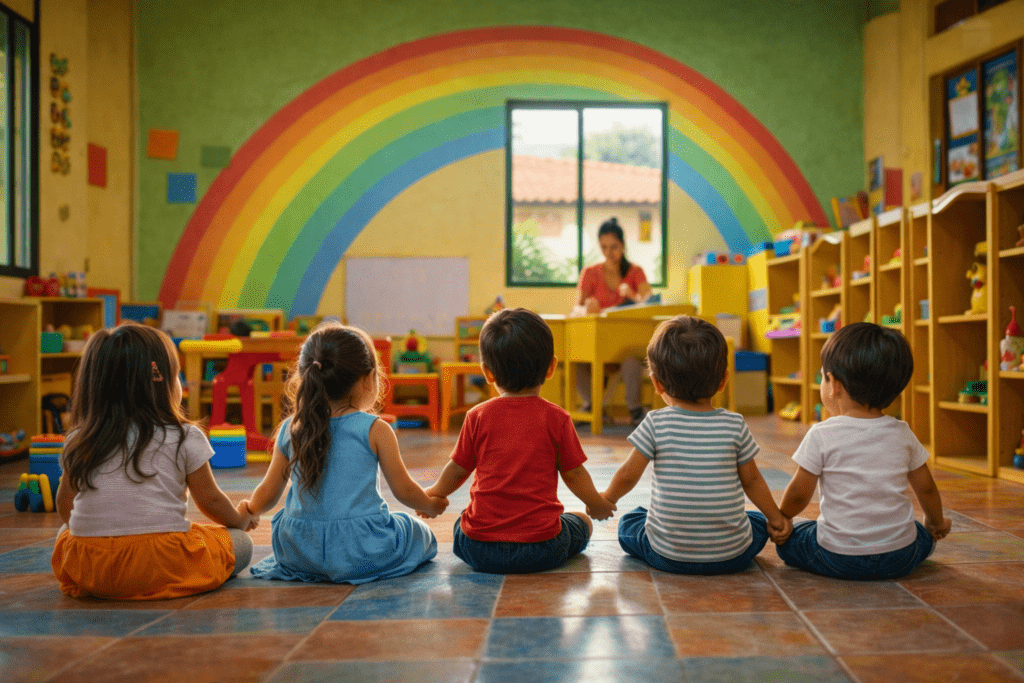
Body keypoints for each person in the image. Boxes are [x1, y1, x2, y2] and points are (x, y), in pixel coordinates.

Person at [51, 323, 256, 600]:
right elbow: (211, 501)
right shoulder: (184, 436)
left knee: (66, 531)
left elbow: (65, 506)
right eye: (176, 376)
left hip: (92, 569)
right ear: (160, 381)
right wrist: (239, 521)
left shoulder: (78, 439)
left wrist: (96, 534)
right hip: (159, 564)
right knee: (240, 544)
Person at [241, 322, 445, 584]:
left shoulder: (291, 428)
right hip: (359, 549)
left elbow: (268, 492)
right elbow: (403, 490)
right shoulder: (375, 429)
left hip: (299, 549)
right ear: (368, 379)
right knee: (417, 532)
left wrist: (250, 510)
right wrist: (430, 505)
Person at [424, 308, 615, 573]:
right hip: (541, 549)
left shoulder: (476, 416)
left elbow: (457, 469)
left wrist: (435, 493)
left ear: (488, 373)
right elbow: (573, 473)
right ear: (551, 367)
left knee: (463, 523)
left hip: (479, 549)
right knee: (582, 521)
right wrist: (596, 503)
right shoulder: (557, 418)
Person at [601, 315, 791, 574]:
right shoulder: (735, 424)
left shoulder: (655, 422)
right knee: (756, 520)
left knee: (631, 521)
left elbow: (628, 474)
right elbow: (753, 481)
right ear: (723, 381)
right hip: (732, 557)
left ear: (657, 384)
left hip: (667, 556)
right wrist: (775, 518)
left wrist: (606, 498)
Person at [775, 322, 950, 580]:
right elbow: (926, 488)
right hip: (899, 557)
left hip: (839, 558)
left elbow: (800, 493)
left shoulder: (821, 434)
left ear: (833, 384)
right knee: (919, 535)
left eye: (822, 376)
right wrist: (935, 523)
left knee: (792, 541)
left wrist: (783, 519)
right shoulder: (903, 432)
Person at [571, 217, 652, 426]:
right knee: (578, 359)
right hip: (597, 342)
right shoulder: (590, 272)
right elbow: (575, 309)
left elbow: (650, 303)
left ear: (623, 245)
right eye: (604, 247)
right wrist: (586, 308)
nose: (609, 252)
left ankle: (635, 409)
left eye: (614, 247)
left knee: (632, 361)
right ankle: (591, 405)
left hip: (624, 343)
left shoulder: (635, 272)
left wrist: (633, 295)